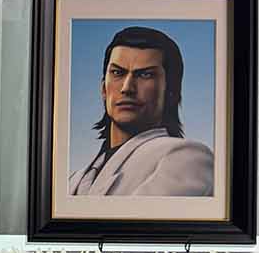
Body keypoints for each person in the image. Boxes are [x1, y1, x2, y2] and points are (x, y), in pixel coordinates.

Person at [68, 24, 214, 198]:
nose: (127, 88)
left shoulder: (187, 158)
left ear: (171, 91)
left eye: (145, 75)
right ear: (103, 88)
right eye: (117, 72)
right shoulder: (75, 179)